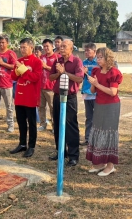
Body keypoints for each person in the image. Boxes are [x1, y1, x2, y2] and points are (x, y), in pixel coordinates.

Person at [86, 47, 123, 176]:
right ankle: (100, 162)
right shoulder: (96, 70)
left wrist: (97, 84)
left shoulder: (114, 72)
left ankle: (110, 165)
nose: (98, 59)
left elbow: (113, 92)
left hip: (111, 106)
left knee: (108, 133)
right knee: (98, 130)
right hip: (99, 104)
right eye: (98, 56)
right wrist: (92, 83)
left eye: (101, 57)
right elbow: (92, 91)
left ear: (108, 58)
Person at [49, 39, 84, 167]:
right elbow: (51, 77)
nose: (61, 48)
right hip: (58, 96)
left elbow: (79, 78)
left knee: (71, 126)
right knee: (57, 125)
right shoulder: (57, 61)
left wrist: (64, 72)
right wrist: (58, 73)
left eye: (64, 46)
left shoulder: (76, 61)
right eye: (60, 46)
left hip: (69, 98)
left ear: (71, 48)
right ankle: (61, 152)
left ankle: (73, 155)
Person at [10, 38, 43, 158]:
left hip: (30, 96)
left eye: (25, 47)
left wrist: (23, 70)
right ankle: (22, 143)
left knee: (32, 123)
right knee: (21, 121)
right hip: (19, 95)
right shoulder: (19, 61)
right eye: (21, 47)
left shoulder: (37, 62)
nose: (22, 49)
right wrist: (18, 70)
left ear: (31, 47)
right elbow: (13, 77)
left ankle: (31, 146)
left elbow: (35, 77)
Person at [38, 39, 60, 131]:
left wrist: (46, 66)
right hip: (41, 86)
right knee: (41, 107)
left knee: (53, 108)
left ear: (52, 46)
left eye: (47, 46)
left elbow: (58, 71)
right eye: (44, 46)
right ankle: (43, 124)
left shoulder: (57, 57)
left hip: (51, 87)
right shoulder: (41, 57)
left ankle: (55, 126)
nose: (46, 48)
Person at [80, 42, 98, 146]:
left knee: (97, 117)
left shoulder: (98, 62)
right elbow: (81, 76)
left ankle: (95, 139)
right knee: (89, 117)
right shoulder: (84, 62)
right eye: (85, 50)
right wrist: (82, 72)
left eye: (88, 50)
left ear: (94, 51)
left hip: (96, 93)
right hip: (87, 92)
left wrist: (88, 72)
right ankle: (87, 139)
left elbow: (98, 75)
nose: (86, 52)